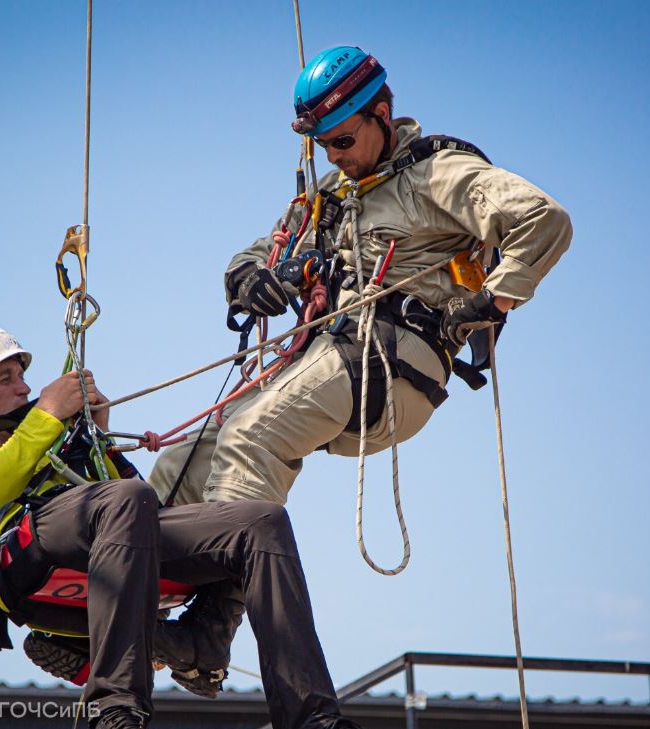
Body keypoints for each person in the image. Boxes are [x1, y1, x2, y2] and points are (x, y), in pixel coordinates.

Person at [0, 321, 403, 729]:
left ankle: (308, 726)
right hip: (27, 566)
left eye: (22, 376)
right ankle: (114, 717)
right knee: (127, 500)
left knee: (258, 523)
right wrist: (46, 417)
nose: (25, 387)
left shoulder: (47, 439)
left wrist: (97, 443)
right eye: (7, 377)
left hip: (103, 546)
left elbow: (134, 509)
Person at [149, 45, 573, 507]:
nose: (332, 156)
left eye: (343, 141)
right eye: (323, 144)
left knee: (248, 440)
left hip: (394, 362)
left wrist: (494, 299)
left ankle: (239, 574)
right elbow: (264, 248)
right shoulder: (335, 193)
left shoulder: (437, 174)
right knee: (184, 465)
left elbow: (544, 218)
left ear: (382, 115)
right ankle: (144, 567)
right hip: (327, 352)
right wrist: (248, 278)